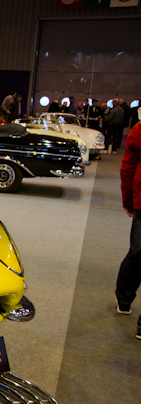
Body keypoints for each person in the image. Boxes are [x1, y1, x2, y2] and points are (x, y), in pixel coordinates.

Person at [116, 108, 141, 340]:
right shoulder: (139, 129)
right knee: (137, 253)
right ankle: (123, 298)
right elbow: (128, 168)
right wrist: (129, 201)